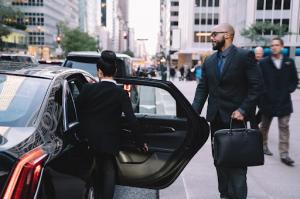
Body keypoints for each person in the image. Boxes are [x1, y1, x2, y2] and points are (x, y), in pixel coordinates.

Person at [192, 23, 263, 199]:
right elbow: (202, 90)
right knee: (220, 162)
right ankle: (224, 195)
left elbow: (257, 86)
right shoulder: (209, 61)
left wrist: (243, 109)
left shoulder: (244, 56)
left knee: (237, 167)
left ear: (228, 35)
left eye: (214, 34)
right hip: (215, 121)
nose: (211, 37)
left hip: (236, 121)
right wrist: (192, 114)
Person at [76, 50, 148, 199]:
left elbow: (77, 109)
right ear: (115, 70)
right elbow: (131, 119)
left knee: (92, 169)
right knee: (109, 168)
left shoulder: (87, 89)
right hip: (110, 141)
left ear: (99, 72)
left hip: (89, 139)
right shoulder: (120, 93)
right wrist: (140, 142)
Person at [258, 37, 299, 166]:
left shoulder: (289, 62)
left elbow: (294, 80)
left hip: (284, 101)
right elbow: (259, 81)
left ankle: (284, 153)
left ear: (282, 47)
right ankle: (263, 146)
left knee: (284, 127)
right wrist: (264, 94)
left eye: (276, 45)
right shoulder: (264, 63)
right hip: (267, 101)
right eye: (272, 45)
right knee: (264, 127)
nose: (273, 47)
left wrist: (288, 90)